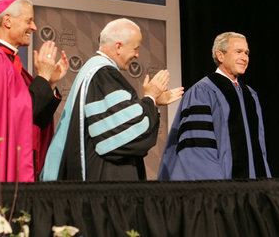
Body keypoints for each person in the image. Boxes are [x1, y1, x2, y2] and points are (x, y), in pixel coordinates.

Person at [41, 18, 183, 181]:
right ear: (118, 47)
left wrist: (154, 102)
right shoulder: (103, 75)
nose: (137, 55)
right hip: (105, 181)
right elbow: (121, 138)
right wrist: (150, 98)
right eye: (135, 48)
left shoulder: (94, 72)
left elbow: (115, 123)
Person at [0, 0, 68, 182]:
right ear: (7, 21)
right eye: (29, 20)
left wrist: (49, 83)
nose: (34, 28)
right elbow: (21, 113)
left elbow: (35, 118)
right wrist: (41, 77)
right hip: (0, 165)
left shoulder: (10, 62)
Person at [158, 32, 271, 180]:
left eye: (246, 53)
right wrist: (215, 186)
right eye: (238, 52)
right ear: (220, 56)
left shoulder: (250, 95)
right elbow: (197, 147)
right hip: (220, 187)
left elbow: (259, 150)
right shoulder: (202, 92)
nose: (245, 58)